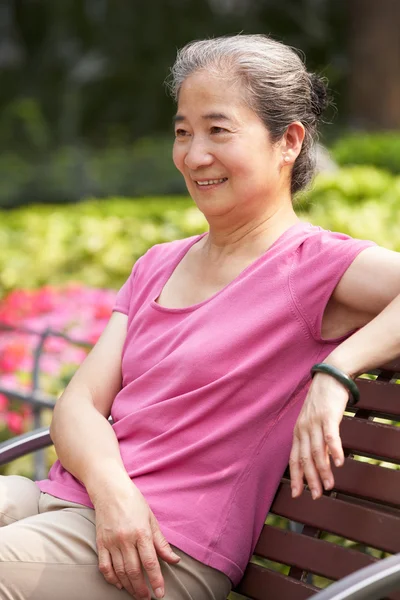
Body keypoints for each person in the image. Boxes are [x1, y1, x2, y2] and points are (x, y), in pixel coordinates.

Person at [0, 33, 399, 600]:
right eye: (183, 132)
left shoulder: (314, 266)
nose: (194, 154)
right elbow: (79, 405)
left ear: (287, 142)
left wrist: (336, 372)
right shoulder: (159, 264)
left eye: (218, 130)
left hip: (166, 547)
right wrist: (115, 493)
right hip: (83, 503)